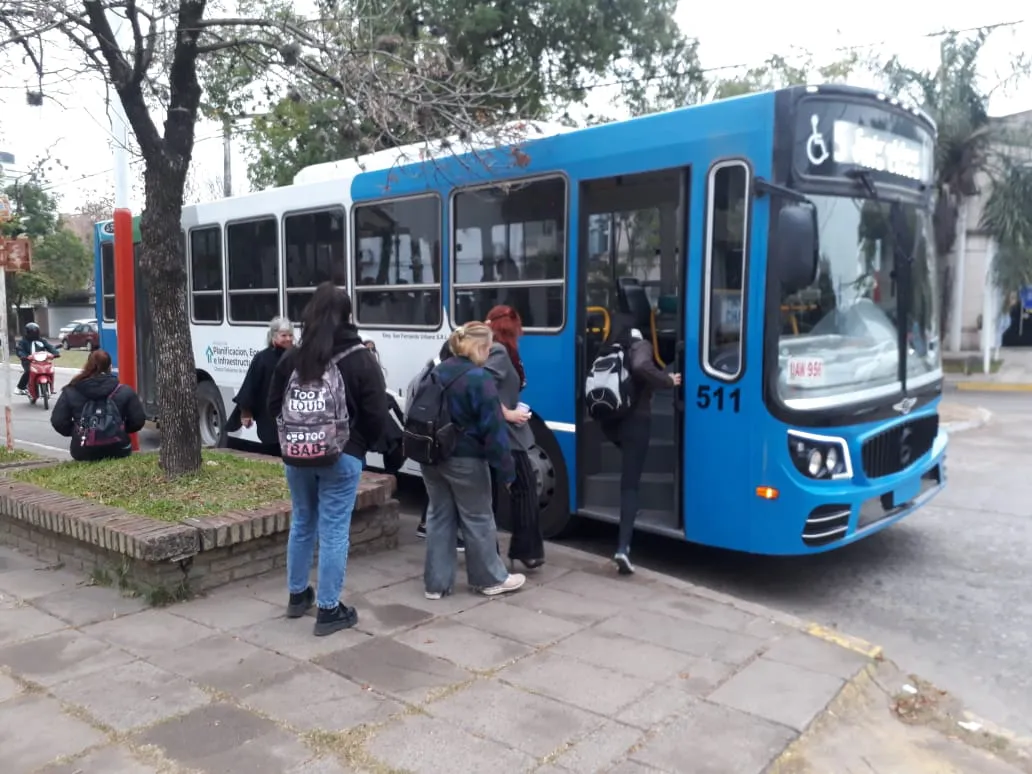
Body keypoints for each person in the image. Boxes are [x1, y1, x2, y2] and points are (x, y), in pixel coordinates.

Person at [267, 282, 388, 637]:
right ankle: (330, 609)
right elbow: (376, 413)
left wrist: (295, 437)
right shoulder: (360, 358)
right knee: (334, 530)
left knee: (303, 521)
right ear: (348, 316)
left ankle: (296, 595)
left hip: (297, 456)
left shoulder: (293, 357)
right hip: (342, 456)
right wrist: (357, 444)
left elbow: (274, 404)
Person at [419, 322, 524, 599]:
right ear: (478, 347)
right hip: (465, 458)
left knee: (439, 517)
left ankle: (436, 585)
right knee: (477, 518)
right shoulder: (479, 378)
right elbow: (494, 429)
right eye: (489, 347)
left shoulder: (437, 370)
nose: (490, 352)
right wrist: (507, 472)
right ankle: (489, 579)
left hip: (431, 457)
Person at [600, 317, 681, 575]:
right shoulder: (640, 346)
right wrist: (669, 380)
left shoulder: (609, 348)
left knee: (628, 467)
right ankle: (623, 548)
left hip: (610, 422)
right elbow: (641, 366)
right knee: (630, 483)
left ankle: (630, 516)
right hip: (636, 422)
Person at [485, 305, 544, 571]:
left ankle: (509, 551)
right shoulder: (499, 350)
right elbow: (482, 387)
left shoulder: (505, 350)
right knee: (523, 488)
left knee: (497, 493)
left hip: (503, 433)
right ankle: (523, 550)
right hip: (503, 434)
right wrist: (506, 413)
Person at [411, 339, 464, 551]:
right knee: (440, 494)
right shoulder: (440, 373)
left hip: (427, 439)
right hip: (437, 440)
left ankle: (426, 525)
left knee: (435, 491)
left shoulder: (430, 369)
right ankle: (426, 525)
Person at [50, 349, 146, 461]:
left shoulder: (71, 391)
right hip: (119, 449)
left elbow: (58, 421)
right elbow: (138, 421)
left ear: (87, 366)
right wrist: (120, 429)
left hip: (83, 451)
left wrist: (77, 432)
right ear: (110, 367)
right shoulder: (124, 391)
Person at [227, 316, 294, 457]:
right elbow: (250, 386)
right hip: (269, 415)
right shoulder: (262, 358)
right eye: (284, 335)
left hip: (293, 413)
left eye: (290, 335)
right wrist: (246, 412)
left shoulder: (298, 356)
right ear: (274, 337)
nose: (288, 339)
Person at [16, 322, 60, 395]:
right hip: (28, 361)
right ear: (28, 332)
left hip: (42, 360)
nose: (34, 334)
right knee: (28, 371)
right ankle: (20, 387)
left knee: (50, 369)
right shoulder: (23, 342)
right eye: (32, 332)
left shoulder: (42, 340)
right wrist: (23, 356)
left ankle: (51, 387)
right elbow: (20, 350)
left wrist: (55, 353)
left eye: (36, 332)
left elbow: (49, 347)